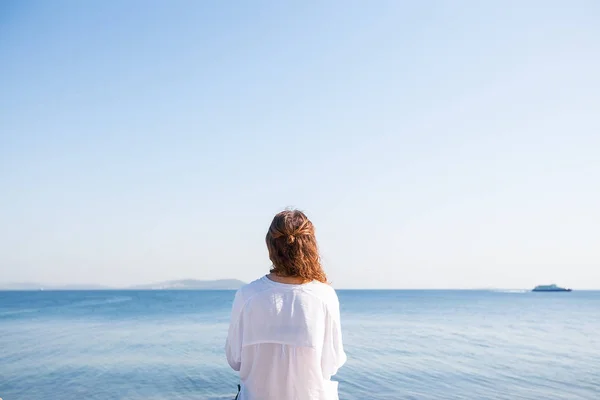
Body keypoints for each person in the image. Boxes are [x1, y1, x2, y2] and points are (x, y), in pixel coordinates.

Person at [225, 209, 347, 400]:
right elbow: (332, 363)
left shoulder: (247, 296)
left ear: (271, 246)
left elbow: (235, 360)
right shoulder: (324, 295)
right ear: (310, 246)